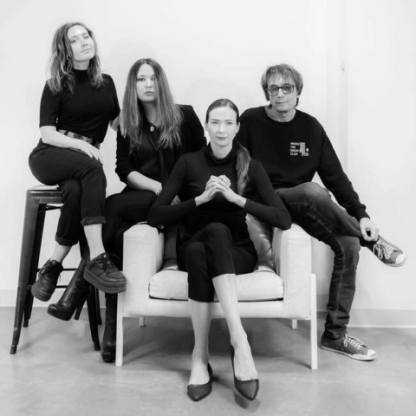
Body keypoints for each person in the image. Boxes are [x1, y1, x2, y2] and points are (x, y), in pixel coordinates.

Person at [237, 63, 407, 362]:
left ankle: (335, 335)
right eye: (273, 88)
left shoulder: (311, 127)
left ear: (298, 91)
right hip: (264, 201)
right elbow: (235, 166)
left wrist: (362, 215)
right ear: (266, 92)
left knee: (348, 244)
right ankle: (373, 242)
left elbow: (335, 177)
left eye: (287, 87)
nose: (280, 94)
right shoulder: (251, 120)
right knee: (313, 191)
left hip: (302, 204)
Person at [147, 99, 292, 401]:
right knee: (207, 237)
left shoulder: (250, 166)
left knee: (205, 246)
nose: (221, 130)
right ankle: (238, 340)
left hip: (238, 252)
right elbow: (155, 215)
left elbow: (283, 218)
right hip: (192, 244)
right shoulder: (188, 162)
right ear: (206, 126)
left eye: (228, 123)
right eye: (215, 122)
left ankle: (200, 357)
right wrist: (199, 200)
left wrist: (236, 199)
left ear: (237, 128)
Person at [98, 58, 207, 363]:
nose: (147, 84)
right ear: (132, 86)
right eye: (140, 79)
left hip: (181, 198)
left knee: (113, 205)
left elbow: (201, 161)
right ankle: (112, 322)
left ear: (161, 82)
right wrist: (159, 188)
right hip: (147, 195)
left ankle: (84, 277)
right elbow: (124, 169)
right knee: (117, 230)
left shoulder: (185, 115)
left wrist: (174, 191)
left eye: (152, 78)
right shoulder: (128, 122)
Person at [29, 22, 126, 315]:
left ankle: (52, 266)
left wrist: (146, 105)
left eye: (86, 36)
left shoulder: (106, 82)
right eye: (74, 39)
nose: (84, 42)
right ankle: (98, 256)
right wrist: (83, 147)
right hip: (50, 155)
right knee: (93, 169)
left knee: (74, 190)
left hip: (79, 167)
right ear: (65, 49)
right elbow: (48, 133)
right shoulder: (56, 84)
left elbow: (117, 123)